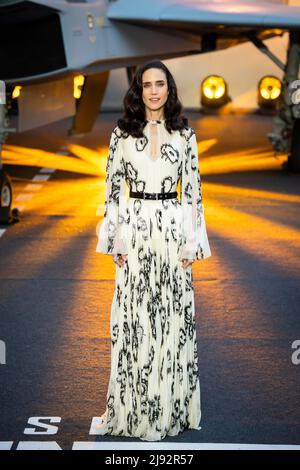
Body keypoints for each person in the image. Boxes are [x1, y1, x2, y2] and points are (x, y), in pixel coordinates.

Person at [95, 59, 212, 441]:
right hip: (135, 232)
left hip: (172, 234)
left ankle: (169, 410)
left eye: (160, 84)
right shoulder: (122, 134)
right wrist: (115, 238)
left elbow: (193, 193)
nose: (154, 91)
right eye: (147, 85)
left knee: (172, 322)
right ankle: (133, 410)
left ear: (169, 89)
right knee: (133, 323)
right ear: (138, 90)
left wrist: (191, 242)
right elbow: (112, 190)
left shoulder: (185, 135)